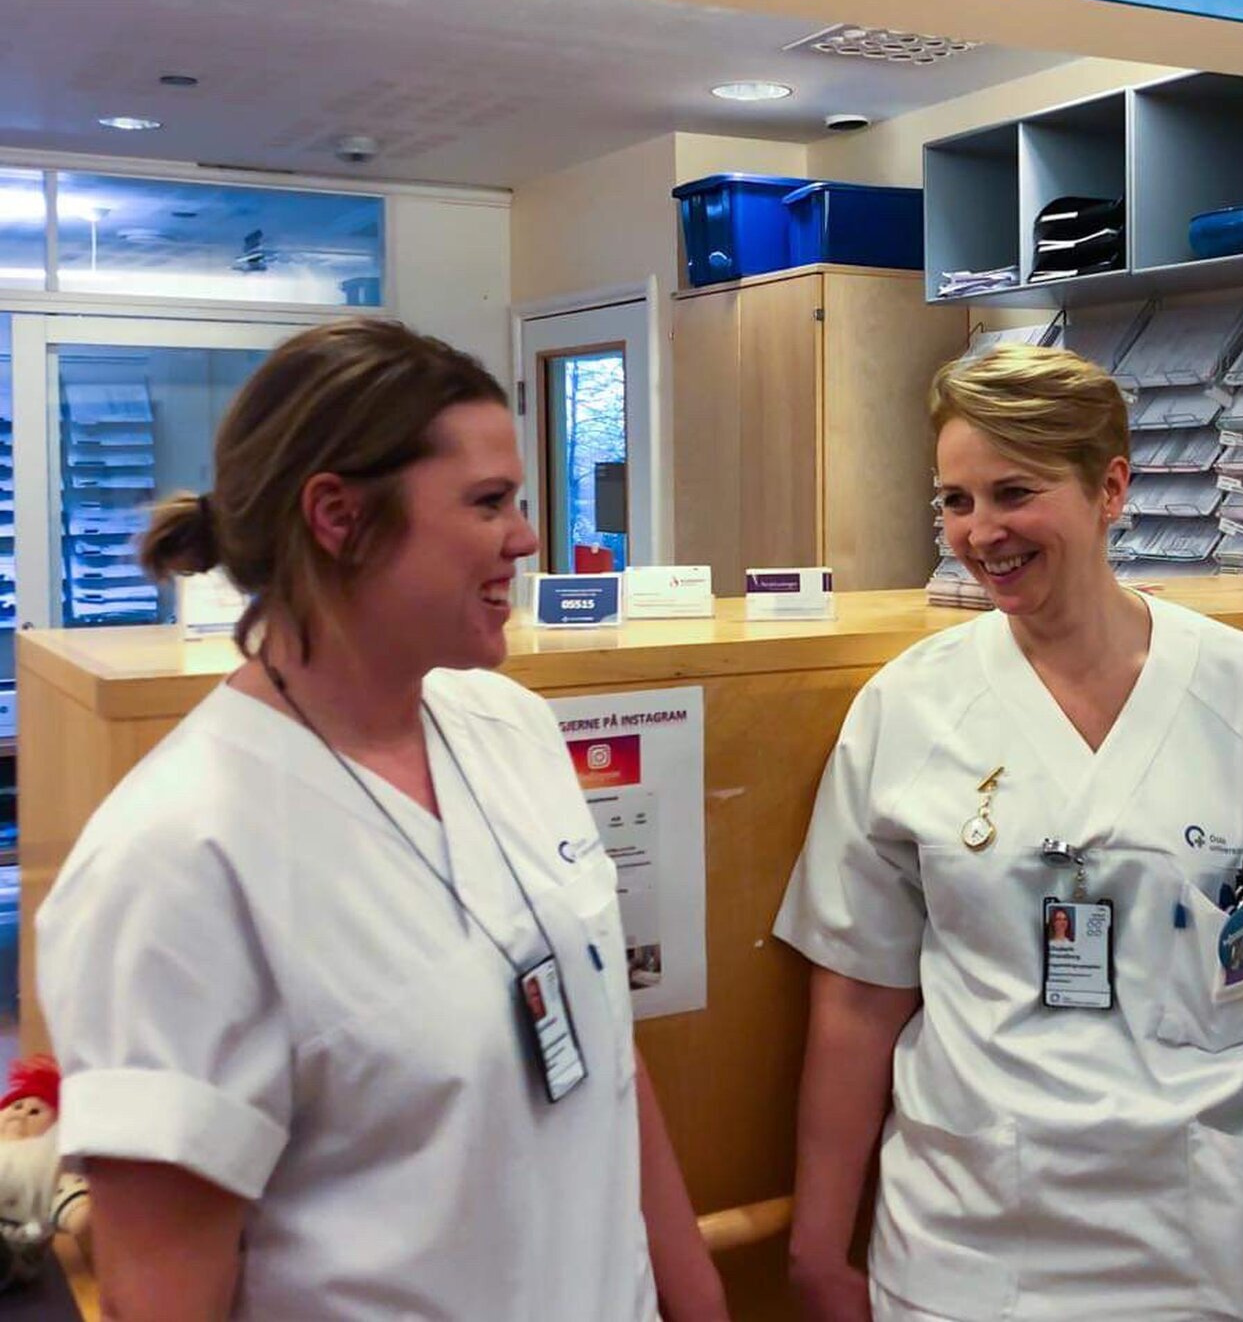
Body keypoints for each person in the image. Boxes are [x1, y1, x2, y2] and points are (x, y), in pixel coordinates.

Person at [36, 319, 728, 1321]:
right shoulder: (178, 860)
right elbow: (166, 1288)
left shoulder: (511, 729)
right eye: (489, 503)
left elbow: (605, 1057)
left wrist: (693, 1294)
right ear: (339, 516)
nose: (526, 537)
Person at [775, 345, 1243, 1321]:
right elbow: (855, 1000)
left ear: (1111, 489)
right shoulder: (906, 712)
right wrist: (813, 1247)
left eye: (1012, 493)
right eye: (954, 501)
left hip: (1237, 1247)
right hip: (979, 1248)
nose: (979, 532)